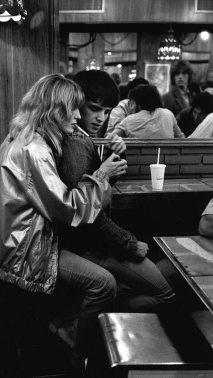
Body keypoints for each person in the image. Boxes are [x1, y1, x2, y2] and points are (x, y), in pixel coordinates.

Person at [0, 73, 131, 374]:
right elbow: (69, 210)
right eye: (73, 108)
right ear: (52, 109)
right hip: (24, 252)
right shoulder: (35, 149)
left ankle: (66, 328)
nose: (77, 115)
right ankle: (81, 358)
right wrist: (103, 177)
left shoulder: (22, 136)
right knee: (104, 283)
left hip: (5, 247)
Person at [57, 70, 176, 314]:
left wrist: (115, 156)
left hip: (94, 243)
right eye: (95, 109)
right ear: (76, 103)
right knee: (166, 295)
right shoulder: (76, 143)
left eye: (107, 110)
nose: (102, 118)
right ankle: (90, 320)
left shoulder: (82, 138)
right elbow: (86, 215)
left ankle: (90, 315)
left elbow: (99, 187)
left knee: (138, 285)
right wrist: (129, 245)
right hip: (91, 246)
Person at [111, 84, 185, 139]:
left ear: (133, 103)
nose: (130, 109)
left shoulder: (128, 121)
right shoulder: (168, 114)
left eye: (131, 104)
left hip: (137, 159)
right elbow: (181, 139)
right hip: (167, 159)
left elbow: (110, 140)